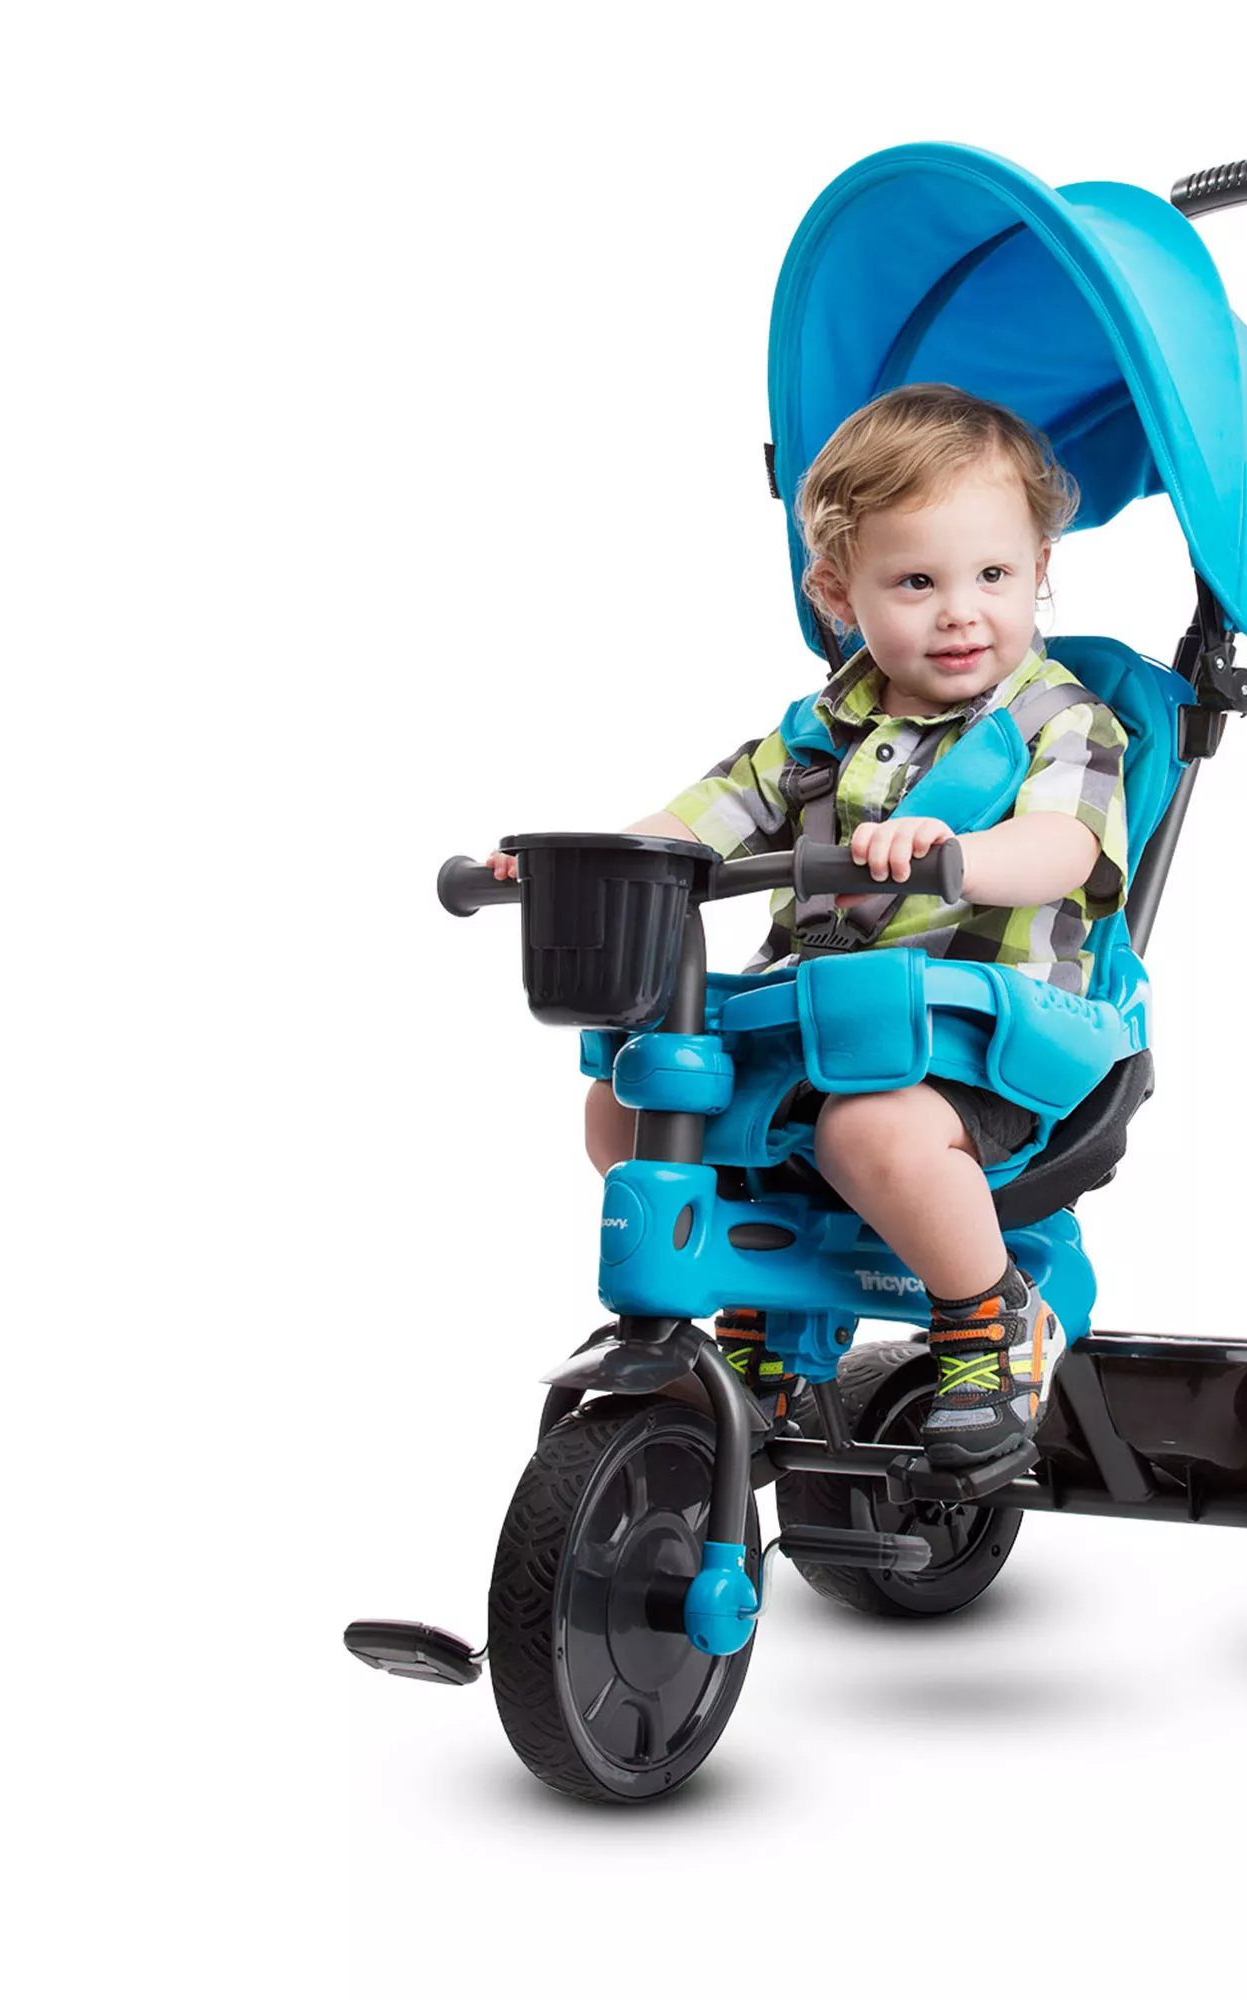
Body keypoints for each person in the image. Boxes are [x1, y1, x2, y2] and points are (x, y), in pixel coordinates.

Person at [490, 384, 1128, 1469]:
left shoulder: (1060, 720)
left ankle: (991, 1320)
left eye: (993, 575)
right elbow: (697, 824)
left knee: (870, 1133)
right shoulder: (817, 734)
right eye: (916, 581)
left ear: (1039, 568)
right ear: (836, 591)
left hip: (989, 1043)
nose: (960, 611)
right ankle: (760, 1303)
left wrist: (958, 852)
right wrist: (578, 863)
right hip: (819, 1028)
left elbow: (1064, 846)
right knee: (627, 1106)